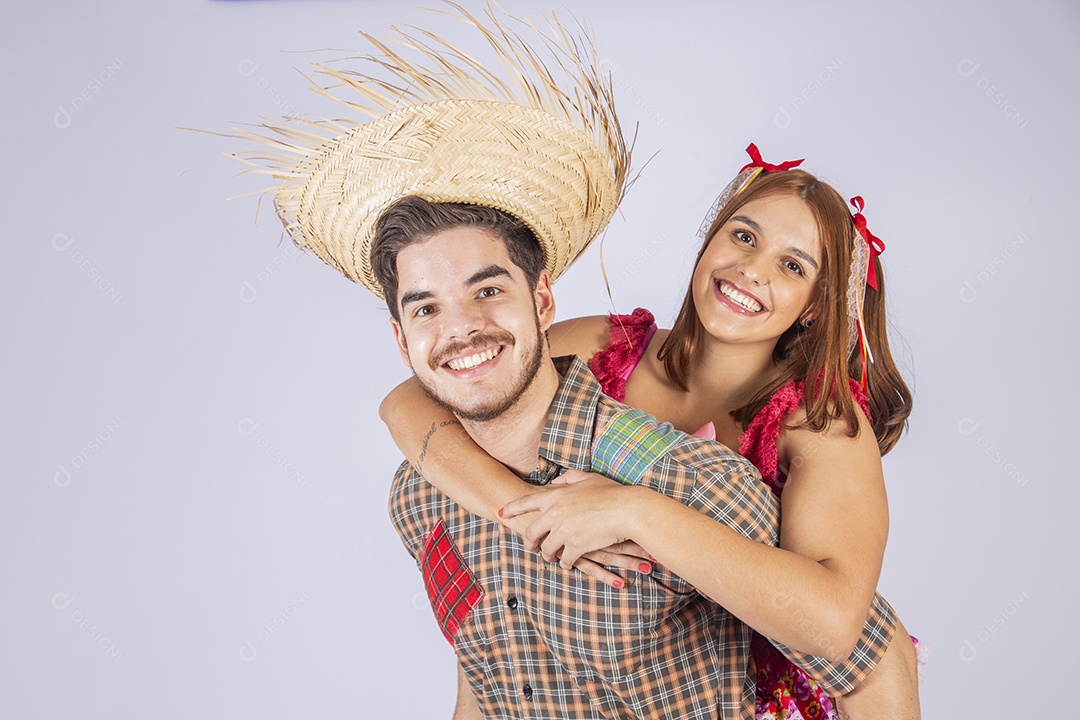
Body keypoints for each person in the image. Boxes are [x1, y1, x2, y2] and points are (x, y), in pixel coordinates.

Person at [380, 146, 921, 719]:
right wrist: (524, 509)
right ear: (709, 241)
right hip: (622, 650)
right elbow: (416, 401)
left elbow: (849, 633)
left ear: (815, 305)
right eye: (743, 237)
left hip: (766, 680)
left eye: (793, 266)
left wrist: (632, 512)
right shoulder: (606, 347)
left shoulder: (820, 423)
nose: (752, 269)